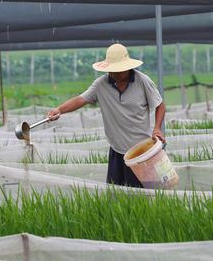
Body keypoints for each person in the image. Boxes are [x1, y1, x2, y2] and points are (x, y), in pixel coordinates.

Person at [47, 43, 166, 187]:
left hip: (142, 150)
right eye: (111, 70)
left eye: (118, 70)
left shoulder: (142, 81)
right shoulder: (100, 85)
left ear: (127, 67)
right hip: (117, 149)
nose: (113, 73)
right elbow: (81, 99)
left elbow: (160, 104)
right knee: (115, 194)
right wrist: (59, 110)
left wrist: (157, 128)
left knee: (142, 195)